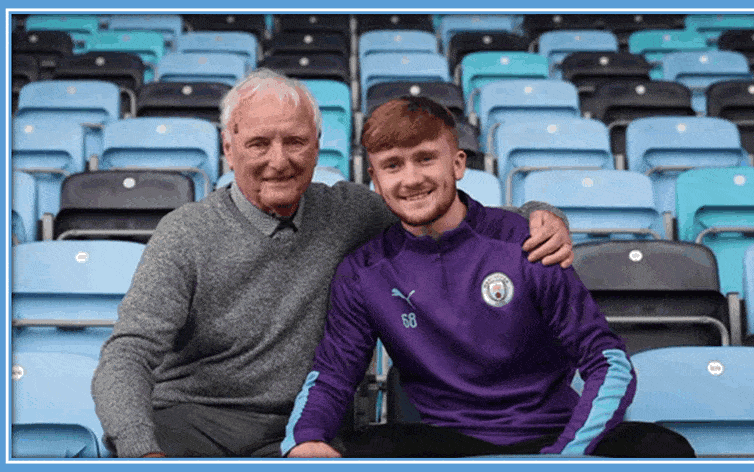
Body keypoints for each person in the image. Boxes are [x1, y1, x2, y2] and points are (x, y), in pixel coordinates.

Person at [91, 69, 575, 458]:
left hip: (312, 430)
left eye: (295, 142)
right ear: (228, 148)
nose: (278, 160)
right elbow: (127, 354)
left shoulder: (349, 211)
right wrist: (141, 453)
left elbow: (440, 210)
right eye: (259, 143)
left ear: (318, 146)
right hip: (196, 426)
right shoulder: (185, 232)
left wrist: (538, 215)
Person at [282, 97, 696, 458]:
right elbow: (334, 374)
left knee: (665, 449)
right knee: (349, 456)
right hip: (445, 440)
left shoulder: (529, 243)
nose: (410, 179)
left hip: (549, 430)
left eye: (426, 158)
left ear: (458, 163)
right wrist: (305, 437)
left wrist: (565, 455)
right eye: (392, 166)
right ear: (375, 181)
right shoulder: (363, 271)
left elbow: (607, 362)